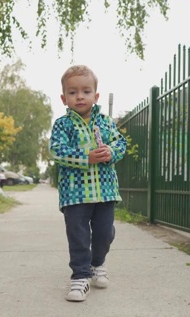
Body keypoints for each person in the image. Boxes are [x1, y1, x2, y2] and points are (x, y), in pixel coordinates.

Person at [49, 65, 127, 302]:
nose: (80, 96)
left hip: (105, 191)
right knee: (78, 236)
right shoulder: (63, 125)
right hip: (75, 194)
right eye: (73, 92)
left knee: (104, 234)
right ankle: (80, 277)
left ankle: (97, 263)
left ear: (96, 95)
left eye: (85, 91)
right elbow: (57, 151)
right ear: (64, 98)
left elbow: (120, 144)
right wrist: (87, 158)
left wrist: (110, 152)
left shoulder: (105, 122)